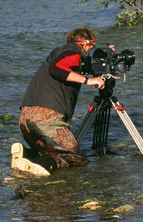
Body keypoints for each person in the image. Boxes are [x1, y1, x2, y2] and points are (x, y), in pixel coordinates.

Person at [18, 27, 107, 168]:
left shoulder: (60, 51)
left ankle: (25, 156)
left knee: (54, 154)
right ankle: (35, 163)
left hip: (26, 118)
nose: (93, 49)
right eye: (92, 45)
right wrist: (88, 81)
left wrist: (108, 56)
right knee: (76, 159)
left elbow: (76, 66)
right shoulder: (74, 53)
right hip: (46, 118)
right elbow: (57, 69)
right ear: (84, 43)